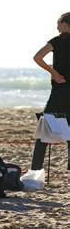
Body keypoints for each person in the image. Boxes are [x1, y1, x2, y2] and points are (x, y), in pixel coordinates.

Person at [30, 12, 70, 171]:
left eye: (59, 24)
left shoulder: (57, 41)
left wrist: (52, 72)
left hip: (59, 94)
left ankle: (35, 169)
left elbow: (37, 57)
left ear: (66, 25)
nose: (57, 27)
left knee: (44, 130)